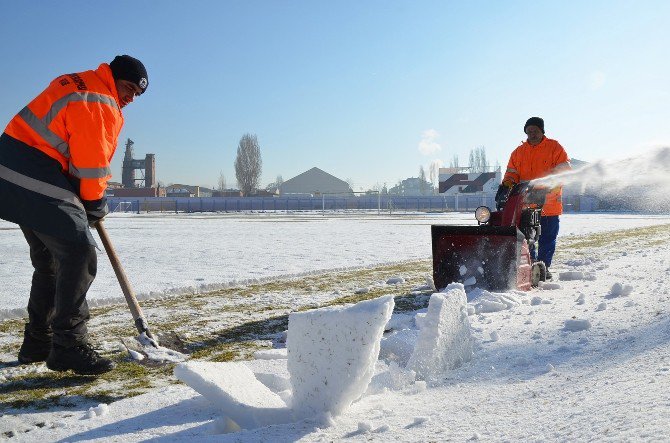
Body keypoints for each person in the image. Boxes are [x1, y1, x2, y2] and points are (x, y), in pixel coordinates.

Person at [0, 55, 148, 375]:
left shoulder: (80, 82)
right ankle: (69, 346)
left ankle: (38, 342)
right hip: (32, 171)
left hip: (13, 170)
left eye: (137, 94)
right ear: (113, 77)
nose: (131, 97)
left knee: (53, 261)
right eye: (128, 88)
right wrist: (94, 203)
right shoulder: (98, 100)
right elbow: (92, 162)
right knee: (78, 251)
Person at [497, 117, 571, 279]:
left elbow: (564, 170)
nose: (532, 134)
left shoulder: (554, 147)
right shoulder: (518, 152)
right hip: (525, 205)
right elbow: (511, 174)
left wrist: (549, 186)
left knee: (547, 238)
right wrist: (507, 185)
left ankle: (543, 267)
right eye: (529, 131)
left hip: (549, 204)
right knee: (526, 237)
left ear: (542, 131)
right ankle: (530, 266)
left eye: (535, 131)